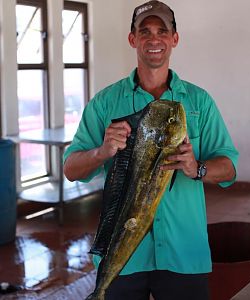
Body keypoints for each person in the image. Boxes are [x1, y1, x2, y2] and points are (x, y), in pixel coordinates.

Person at [63, 1, 239, 299]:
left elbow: (230, 168)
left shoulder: (199, 102)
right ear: (133, 39)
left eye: (162, 31)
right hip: (122, 256)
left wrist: (197, 168)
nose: (153, 39)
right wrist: (102, 151)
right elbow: (70, 169)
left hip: (183, 253)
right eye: (144, 31)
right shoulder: (106, 102)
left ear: (174, 39)